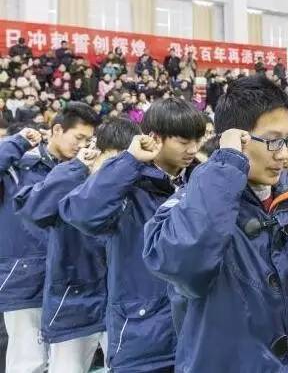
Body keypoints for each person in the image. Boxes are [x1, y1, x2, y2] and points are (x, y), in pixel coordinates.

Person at [142, 75, 288, 372]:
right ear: (235, 138)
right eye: (272, 141)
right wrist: (227, 163)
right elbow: (185, 266)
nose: (284, 154)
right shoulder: (193, 202)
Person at [60, 98, 205, 372]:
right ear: (155, 138)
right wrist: (129, 160)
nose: (193, 149)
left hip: (196, 333)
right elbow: (80, 213)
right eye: (184, 141)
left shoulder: (199, 183)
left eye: (198, 139)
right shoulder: (127, 183)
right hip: (142, 335)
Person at [14, 118, 140, 373]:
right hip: (73, 299)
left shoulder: (133, 181)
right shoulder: (71, 176)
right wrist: (77, 168)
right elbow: (34, 210)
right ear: (100, 151)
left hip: (122, 305)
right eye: (115, 160)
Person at [0, 103, 100, 373]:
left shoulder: (82, 170)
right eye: (78, 137)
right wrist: (17, 143)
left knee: (65, 363)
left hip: (66, 279)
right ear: (57, 129)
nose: (82, 145)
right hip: (25, 276)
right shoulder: (20, 165)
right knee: (27, 361)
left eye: (88, 140)